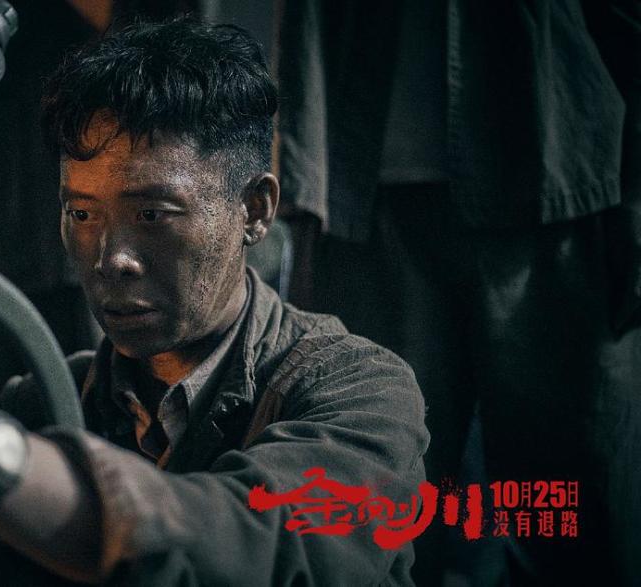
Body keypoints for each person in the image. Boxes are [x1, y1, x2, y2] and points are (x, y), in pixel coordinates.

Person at [0, 19, 429, 585]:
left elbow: (250, 545)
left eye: (153, 215)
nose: (111, 257)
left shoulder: (358, 393)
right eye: (82, 213)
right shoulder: (47, 401)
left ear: (255, 209)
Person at [274, 1, 640, 584]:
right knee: (375, 511)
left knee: (569, 511)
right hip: (362, 204)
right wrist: (301, 195)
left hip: (555, 195)